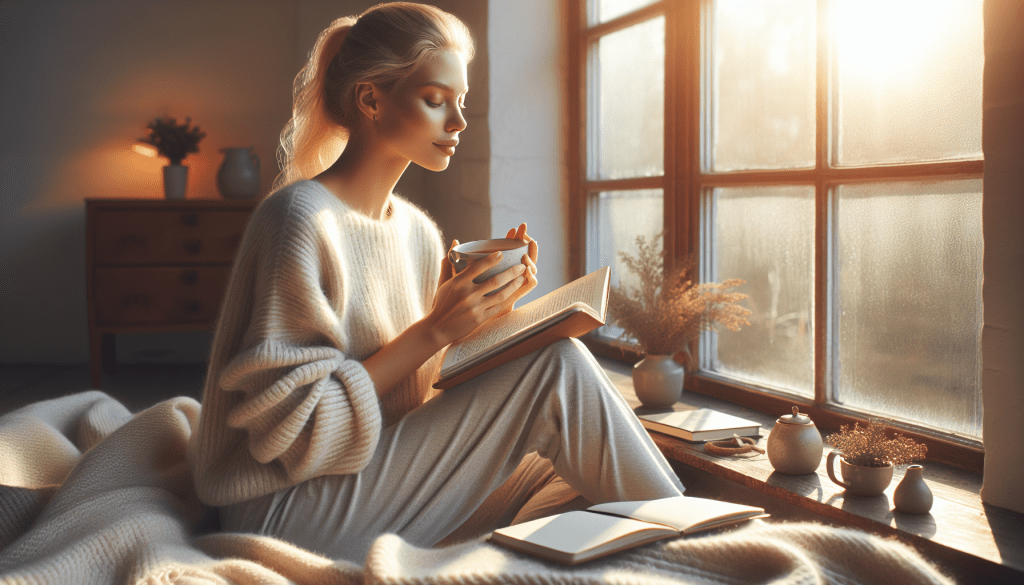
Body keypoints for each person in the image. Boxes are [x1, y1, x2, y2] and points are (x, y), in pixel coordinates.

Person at [188, 1, 684, 564]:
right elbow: (291, 435)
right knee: (558, 371)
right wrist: (434, 330)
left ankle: (671, 536)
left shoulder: (417, 232)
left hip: (376, 477)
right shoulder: (299, 220)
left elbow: (420, 397)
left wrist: (487, 318)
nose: (458, 122)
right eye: (435, 99)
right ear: (371, 99)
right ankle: (704, 546)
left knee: (576, 463)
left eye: (461, 101)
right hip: (288, 505)